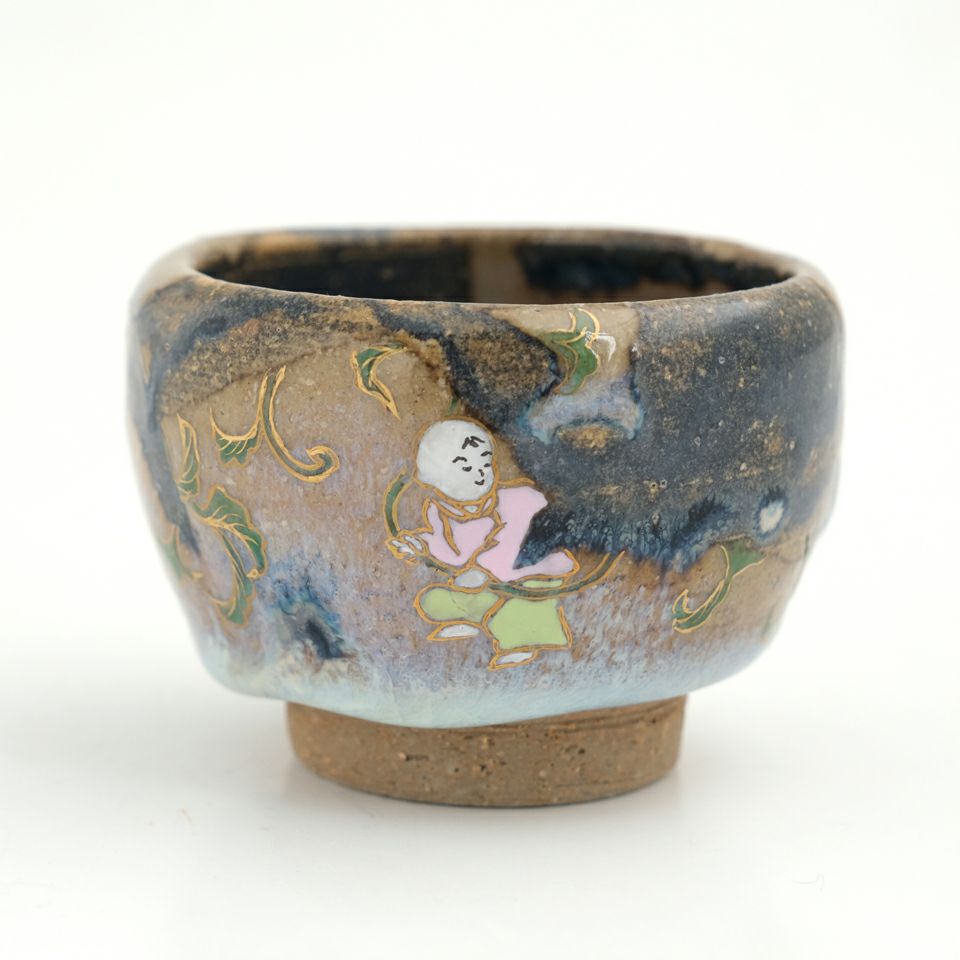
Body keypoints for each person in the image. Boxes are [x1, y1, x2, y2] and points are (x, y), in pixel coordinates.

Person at [387, 418, 579, 670]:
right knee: (432, 600)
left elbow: (510, 544)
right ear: (436, 479)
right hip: (490, 583)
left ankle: (521, 642)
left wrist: (481, 570)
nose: (480, 473)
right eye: (466, 467)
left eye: (485, 463)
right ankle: (476, 618)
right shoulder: (440, 510)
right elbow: (449, 551)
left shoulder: (519, 500)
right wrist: (420, 546)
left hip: (532, 574)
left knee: (523, 606)